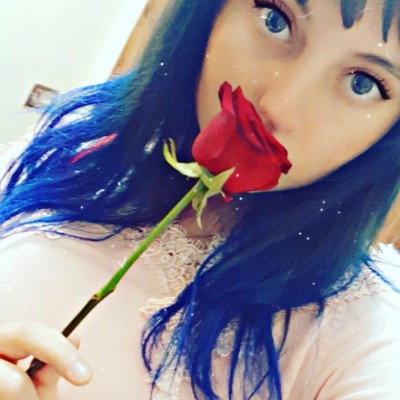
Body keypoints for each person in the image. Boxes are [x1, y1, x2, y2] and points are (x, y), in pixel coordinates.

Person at [0, 0, 400, 398]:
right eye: (275, 20)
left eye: (362, 83)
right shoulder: (68, 150)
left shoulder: (361, 332)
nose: (279, 107)